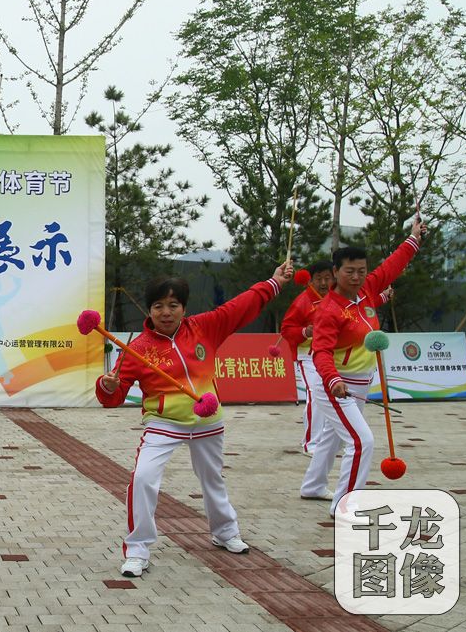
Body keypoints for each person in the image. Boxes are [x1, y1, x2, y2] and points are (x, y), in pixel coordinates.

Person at [97, 261, 293, 578]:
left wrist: (274, 282)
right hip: (163, 424)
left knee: (212, 479)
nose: (166, 312)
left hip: (207, 419)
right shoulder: (137, 349)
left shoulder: (205, 327)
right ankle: (137, 550)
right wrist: (107, 387)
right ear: (149, 309)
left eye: (173, 305)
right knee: (143, 479)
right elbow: (113, 397)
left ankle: (226, 533)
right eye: (158, 305)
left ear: (184, 308)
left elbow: (241, 306)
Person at [303, 220, 423, 519]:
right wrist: (332, 381)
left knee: (332, 435)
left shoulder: (367, 290)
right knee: (361, 441)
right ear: (335, 273)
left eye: (361, 270)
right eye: (349, 271)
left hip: (360, 383)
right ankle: (344, 505)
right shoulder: (329, 310)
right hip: (336, 385)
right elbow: (321, 353)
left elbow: (391, 267)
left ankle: (314, 485)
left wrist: (414, 238)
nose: (357, 277)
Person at [280, 260, 334, 457]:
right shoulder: (302, 301)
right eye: (318, 279)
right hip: (309, 357)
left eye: (327, 278)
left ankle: (332, 440)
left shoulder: (339, 299)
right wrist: (305, 331)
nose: (323, 283)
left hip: (332, 357)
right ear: (310, 280)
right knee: (315, 396)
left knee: (335, 398)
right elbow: (286, 329)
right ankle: (311, 443)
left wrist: (383, 296)